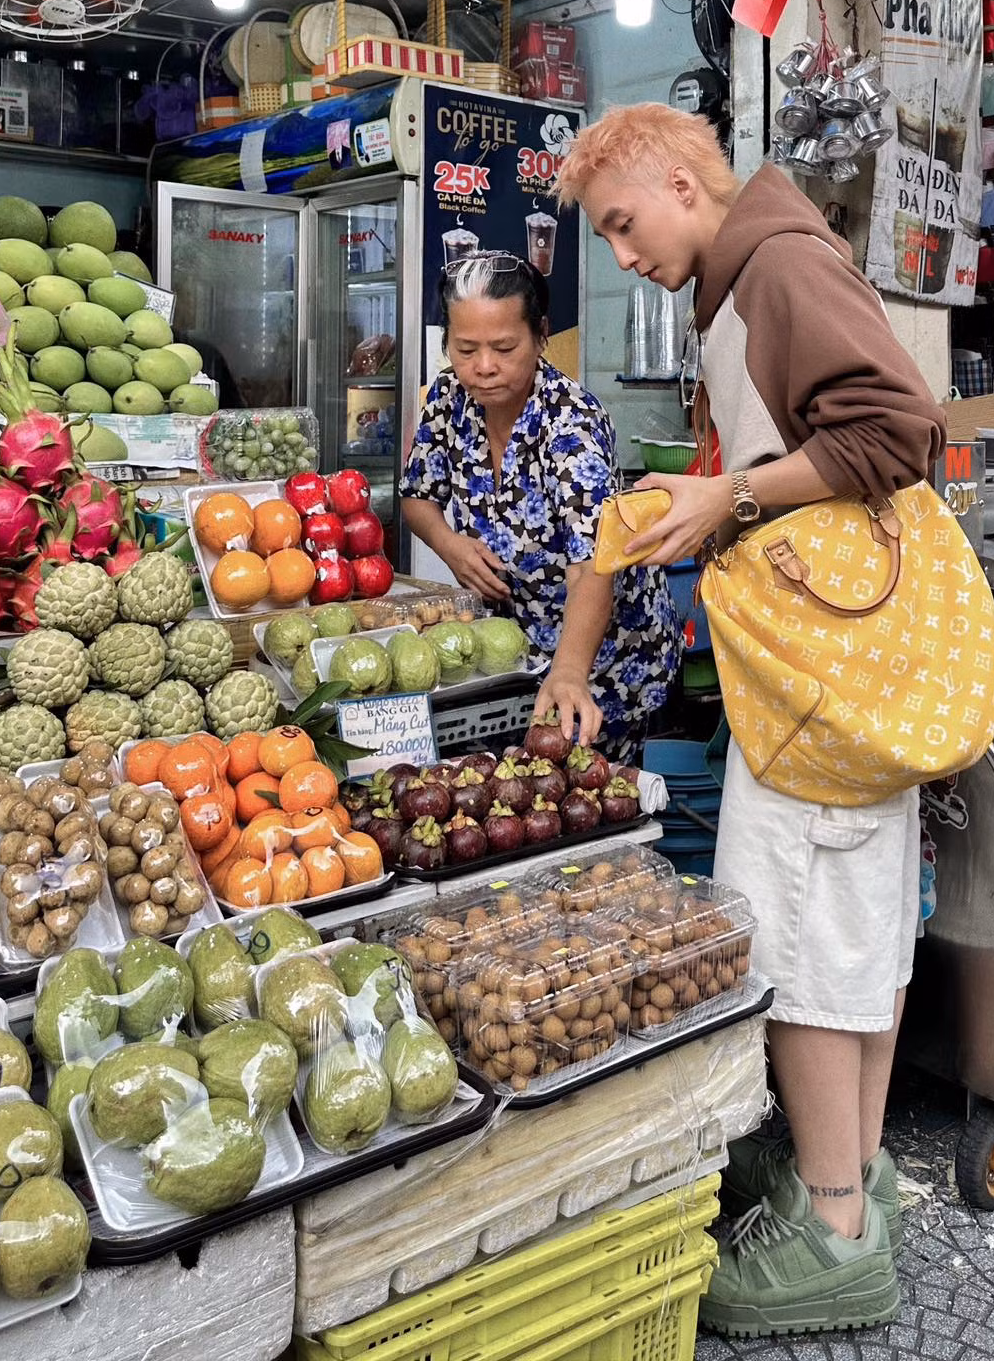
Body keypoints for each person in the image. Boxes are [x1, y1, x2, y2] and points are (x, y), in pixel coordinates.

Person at [554, 105, 946, 1339]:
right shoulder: (750, 274)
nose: (622, 254)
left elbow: (900, 430)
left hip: (827, 681)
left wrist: (732, 490)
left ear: (682, 180)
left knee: (802, 937)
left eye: (623, 224)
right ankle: (856, 1173)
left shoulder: (775, 263)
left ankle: (833, 1233)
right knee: (857, 922)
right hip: (837, 676)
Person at [399, 250, 681, 760]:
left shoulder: (569, 425)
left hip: (605, 654)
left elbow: (593, 566)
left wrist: (570, 672)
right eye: (465, 349)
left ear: (541, 335)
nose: (484, 367)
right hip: (516, 649)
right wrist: (452, 547)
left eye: (505, 347)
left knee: (586, 791)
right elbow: (418, 496)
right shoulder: (447, 399)